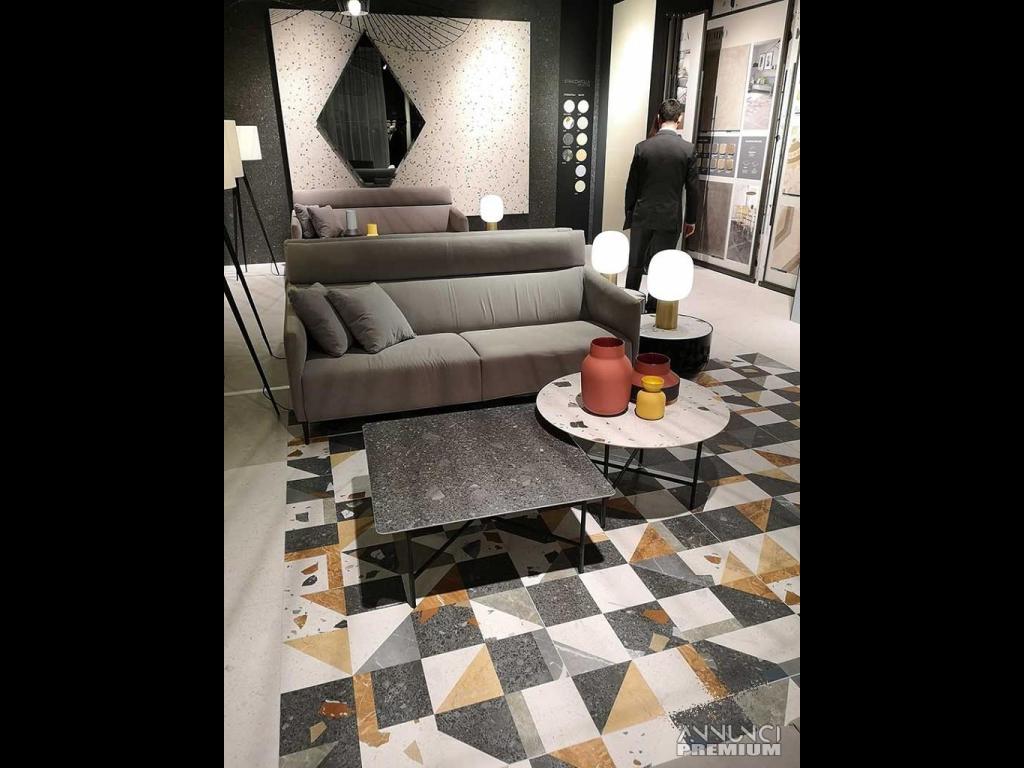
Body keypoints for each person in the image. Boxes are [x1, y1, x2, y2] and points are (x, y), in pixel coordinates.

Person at [623, 98, 700, 291]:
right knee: (661, 265)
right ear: (679, 119)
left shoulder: (642, 147)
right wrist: (691, 220)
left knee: (635, 264)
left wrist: (630, 213)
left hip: (643, 214)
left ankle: (630, 300)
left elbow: (632, 186)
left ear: (658, 117)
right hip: (670, 217)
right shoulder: (688, 150)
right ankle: (654, 304)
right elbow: (693, 189)